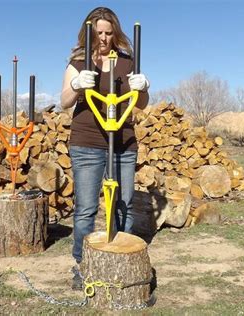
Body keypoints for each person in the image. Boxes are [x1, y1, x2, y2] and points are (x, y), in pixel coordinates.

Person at [60, 7, 150, 289]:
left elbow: (142, 103)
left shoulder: (127, 62)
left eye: (109, 33)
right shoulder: (78, 62)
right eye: (98, 33)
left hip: (123, 140)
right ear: (88, 33)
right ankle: (82, 264)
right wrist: (77, 84)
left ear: (116, 33)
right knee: (86, 208)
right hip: (87, 141)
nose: (103, 38)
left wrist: (143, 86)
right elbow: (64, 100)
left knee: (125, 205)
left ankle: (121, 260)